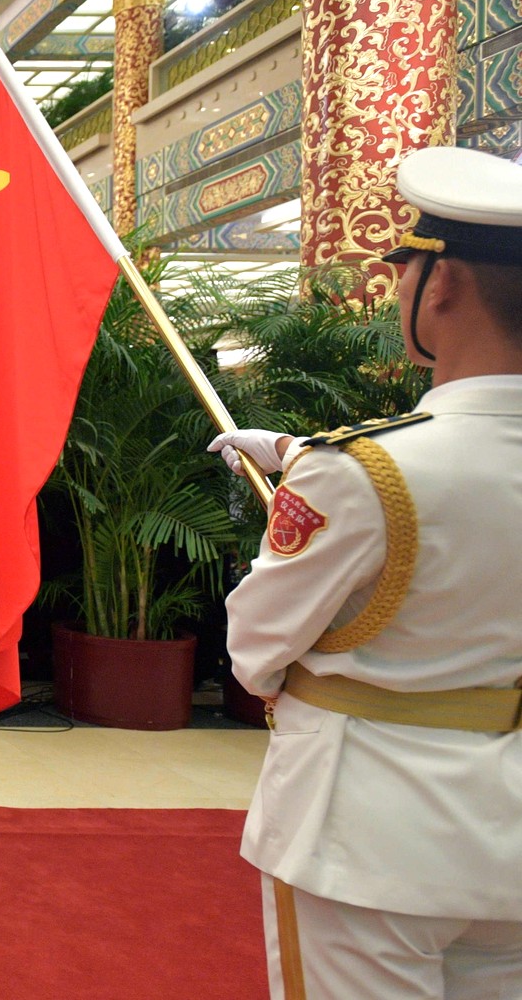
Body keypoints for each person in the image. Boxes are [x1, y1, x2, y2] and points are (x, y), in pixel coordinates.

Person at [207, 146, 522, 1000]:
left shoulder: (368, 471)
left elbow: (257, 647)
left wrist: (298, 493)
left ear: (443, 285)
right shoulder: (358, 466)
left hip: (370, 836)